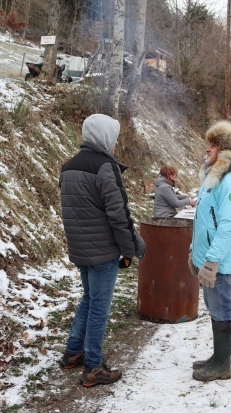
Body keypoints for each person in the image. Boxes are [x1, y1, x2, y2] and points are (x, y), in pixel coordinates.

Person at [59, 114, 146, 387]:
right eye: (114, 136)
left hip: (80, 249)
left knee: (88, 299)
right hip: (102, 252)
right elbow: (119, 215)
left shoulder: (67, 166)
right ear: (105, 137)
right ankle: (93, 367)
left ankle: (73, 352)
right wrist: (130, 248)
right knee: (99, 307)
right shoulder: (106, 166)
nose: (117, 141)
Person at [188, 120, 231, 382]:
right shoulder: (215, 178)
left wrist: (212, 261)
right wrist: (195, 252)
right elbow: (203, 218)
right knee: (215, 310)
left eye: (212, 145)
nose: (207, 149)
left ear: (226, 151)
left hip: (220, 265)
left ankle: (223, 364)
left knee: (223, 311)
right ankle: (217, 357)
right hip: (208, 260)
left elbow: (228, 227)